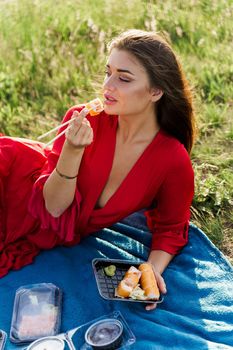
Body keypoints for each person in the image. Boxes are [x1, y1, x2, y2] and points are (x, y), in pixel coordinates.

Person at [0, 29, 195, 310]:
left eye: (123, 78)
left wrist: (151, 270)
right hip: (13, 185)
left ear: (155, 91)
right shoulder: (84, 120)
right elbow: (53, 207)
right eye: (108, 73)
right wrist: (72, 150)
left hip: (33, 229)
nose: (108, 86)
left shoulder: (171, 160)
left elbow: (171, 227)